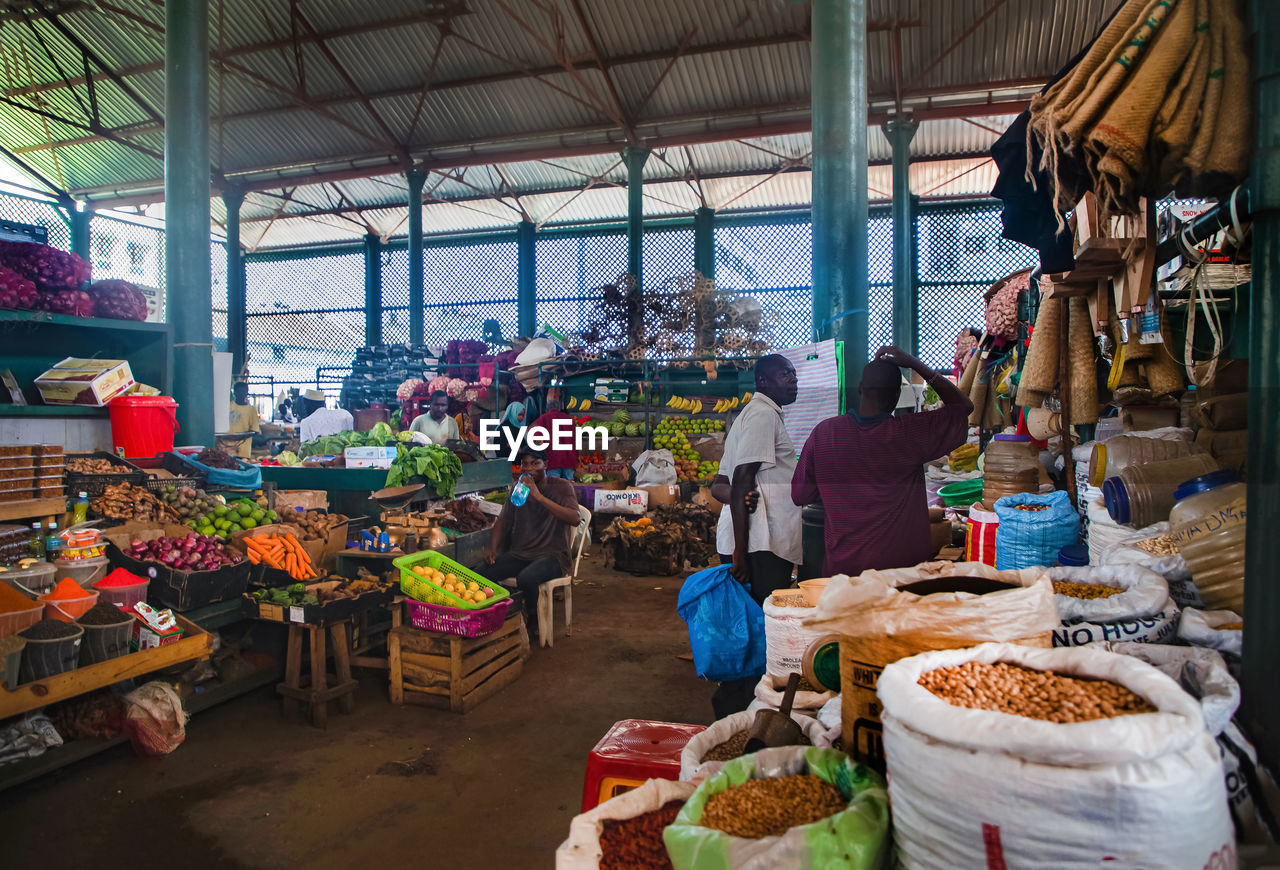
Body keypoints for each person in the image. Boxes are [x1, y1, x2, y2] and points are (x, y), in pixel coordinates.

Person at [792, 346, 972, 578]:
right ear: (897, 396)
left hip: (845, 573)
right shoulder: (910, 433)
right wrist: (915, 364)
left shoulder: (824, 433)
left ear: (860, 389)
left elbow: (800, 495)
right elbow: (963, 407)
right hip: (903, 576)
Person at [708, 355, 801, 718]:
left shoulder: (753, 416)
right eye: (784, 374)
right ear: (763, 380)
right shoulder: (762, 416)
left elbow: (721, 484)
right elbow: (741, 479)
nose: (793, 380)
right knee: (759, 632)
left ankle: (736, 705)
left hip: (750, 543)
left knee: (746, 629)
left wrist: (736, 497)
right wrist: (741, 555)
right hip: (758, 545)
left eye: (793, 374)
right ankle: (741, 710)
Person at [486, 449, 582, 606]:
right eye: (525, 464)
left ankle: (533, 623)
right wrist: (493, 549)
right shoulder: (518, 487)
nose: (529, 468)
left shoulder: (561, 487)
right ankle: (507, 611)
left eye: (535, 463)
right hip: (521, 554)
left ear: (546, 465)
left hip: (553, 557)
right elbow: (503, 521)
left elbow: (575, 519)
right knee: (481, 572)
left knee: (527, 578)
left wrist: (539, 496)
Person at [529, 393, 577, 479]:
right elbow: (576, 440)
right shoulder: (569, 419)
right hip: (569, 460)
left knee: (554, 488)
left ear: (547, 409)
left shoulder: (543, 418)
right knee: (569, 489)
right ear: (559, 408)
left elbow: (539, 440)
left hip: (552, 460)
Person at [219, 381, 259, 459]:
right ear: (234, 392)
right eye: (238, 391)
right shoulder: (227, 406)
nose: (240, 394)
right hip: (225, 449)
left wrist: (236, 437)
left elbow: (255, 430)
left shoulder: (251, 410)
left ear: (247, 392)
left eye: (243, 391)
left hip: (242, 451)